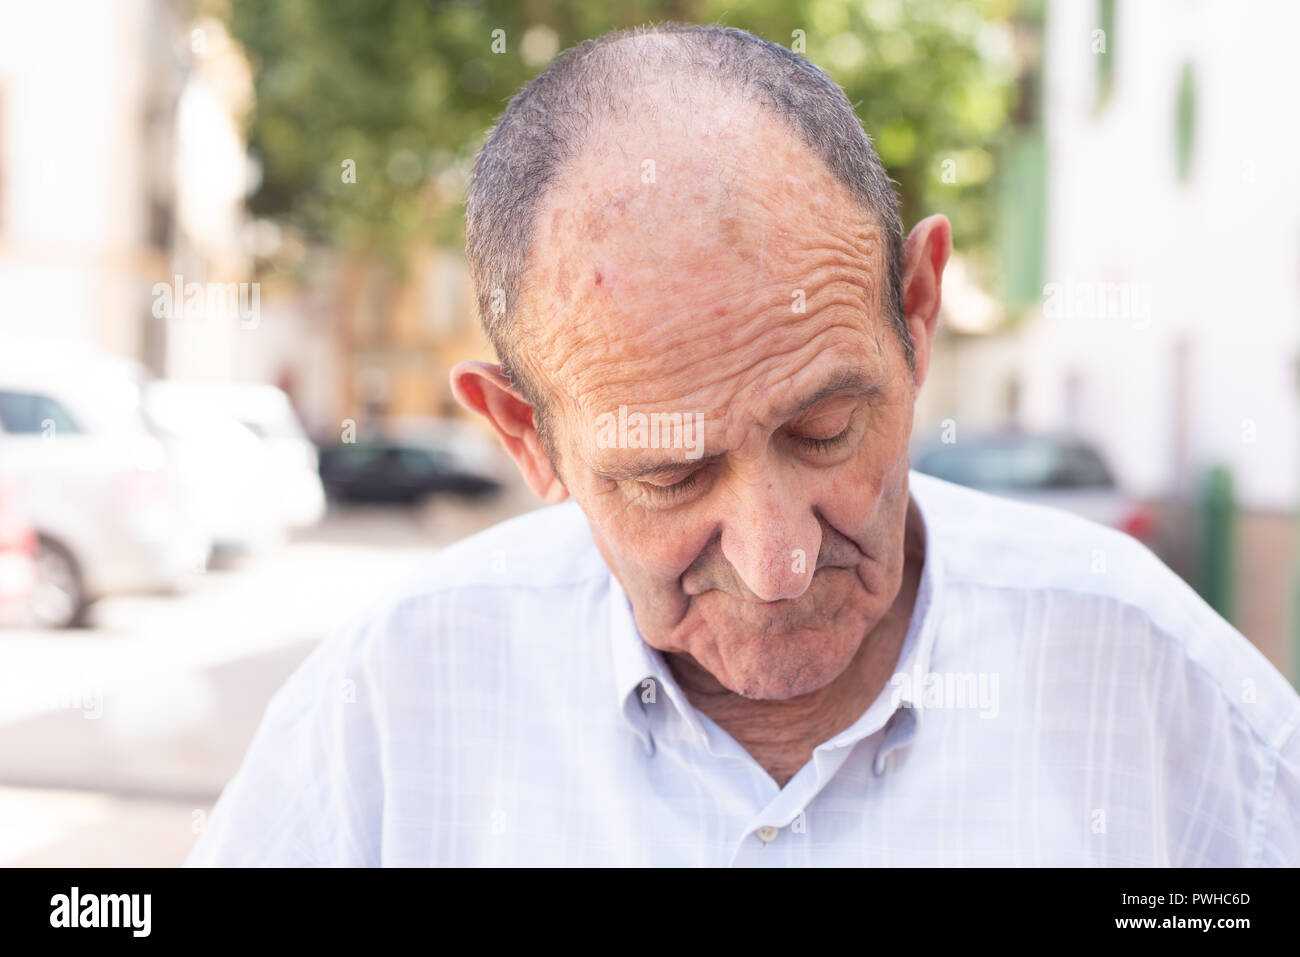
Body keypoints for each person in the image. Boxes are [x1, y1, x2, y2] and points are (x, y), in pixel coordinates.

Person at [188, 23, 1298, 866]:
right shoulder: (388, 704)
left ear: (915, 310)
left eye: (824, 430)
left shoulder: (1153, 678)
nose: (778, 563)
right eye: (667, 473)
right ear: (527, 436)